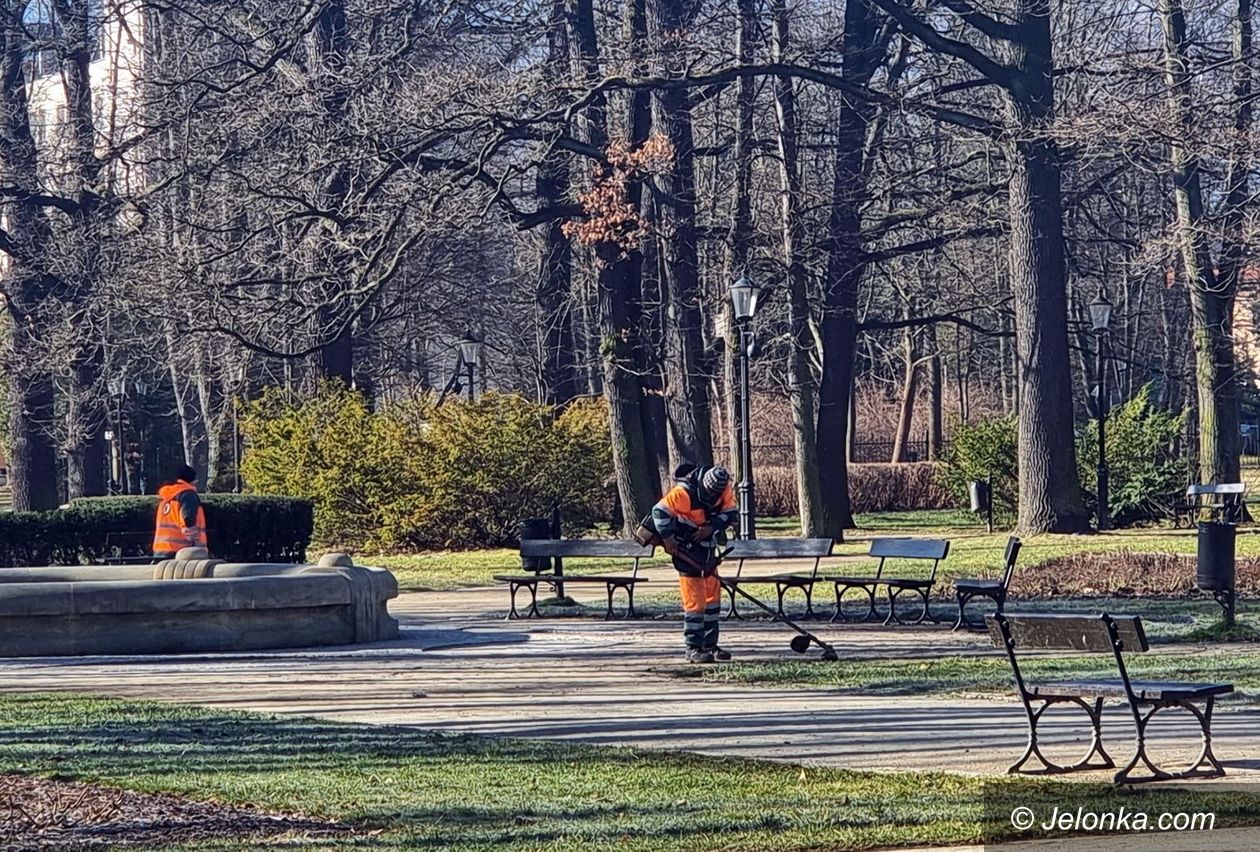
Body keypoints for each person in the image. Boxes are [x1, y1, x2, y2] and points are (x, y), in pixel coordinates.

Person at [651, 463, 738, 663]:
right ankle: (693, 648)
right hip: (686, 551)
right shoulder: (683, 493)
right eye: (709, 494)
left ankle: (710, 644)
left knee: (712, 600)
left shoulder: (723, 488)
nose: (713, 498)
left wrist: (712, 527)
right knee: (695, 602)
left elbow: (731, 512)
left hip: (707, 550)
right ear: (703, 485)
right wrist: (668, 539)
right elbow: (659, 512)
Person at [152, 464, 208, 557]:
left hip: (160, 550)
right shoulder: (188, 495)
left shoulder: (166, 497)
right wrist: (195, 546)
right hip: (181, 553)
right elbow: (188, 519)